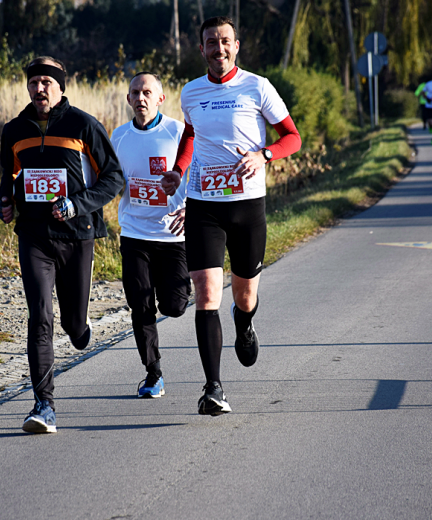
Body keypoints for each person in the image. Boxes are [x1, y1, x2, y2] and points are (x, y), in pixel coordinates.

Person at [161, 16, 302, 416]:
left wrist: (265, 154)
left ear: (236, 45)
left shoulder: (258, 86)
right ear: (201, 49)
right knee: (206, 295)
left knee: (244, 295)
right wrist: (178, 169)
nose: (218, 48)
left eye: (225, 41)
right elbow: (191, 134)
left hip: (246, 207)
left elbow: (293, 136)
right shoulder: (190, 92)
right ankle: (213, 388)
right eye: (210, 42)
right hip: (204, 206)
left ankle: (245, 322)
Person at [0, 56, 124, 433]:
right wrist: (5, 201)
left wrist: (76, 204)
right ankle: (43, 405)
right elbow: (10, 174)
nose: (39, 88)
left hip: (77, 236)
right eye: (33, 82)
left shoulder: (83, 125)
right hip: (34, 236)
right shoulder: (14, 130)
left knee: (71, 323)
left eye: (46, 82)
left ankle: (80, 327)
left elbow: (113, 177)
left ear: (60, 86)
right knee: (40, 316)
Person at [110, 72, 191, 398]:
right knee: (141, 306)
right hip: (134, 234)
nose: (140, 98)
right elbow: (108, 180)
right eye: (135, 93)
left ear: (160, 98)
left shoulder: (178, 132)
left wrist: (191, 211)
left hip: (173, 235)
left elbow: (198, 174)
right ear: (128, 99)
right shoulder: (118, 137)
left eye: (147, 92)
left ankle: (180, 288)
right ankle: (152, 373)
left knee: (174, 306)